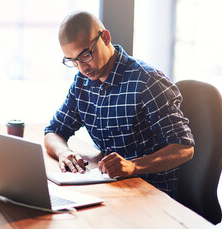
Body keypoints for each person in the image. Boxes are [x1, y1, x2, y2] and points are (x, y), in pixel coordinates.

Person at [44, 11, 194, 199]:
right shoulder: (82, 84)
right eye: (73, 61)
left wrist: (134, 166)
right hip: (110, 186)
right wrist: (63, 152)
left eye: (86, 55)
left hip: (151, 193)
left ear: (105, 38)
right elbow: (53, 131)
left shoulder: (147, 81)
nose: (82, 68)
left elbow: (184, 147)